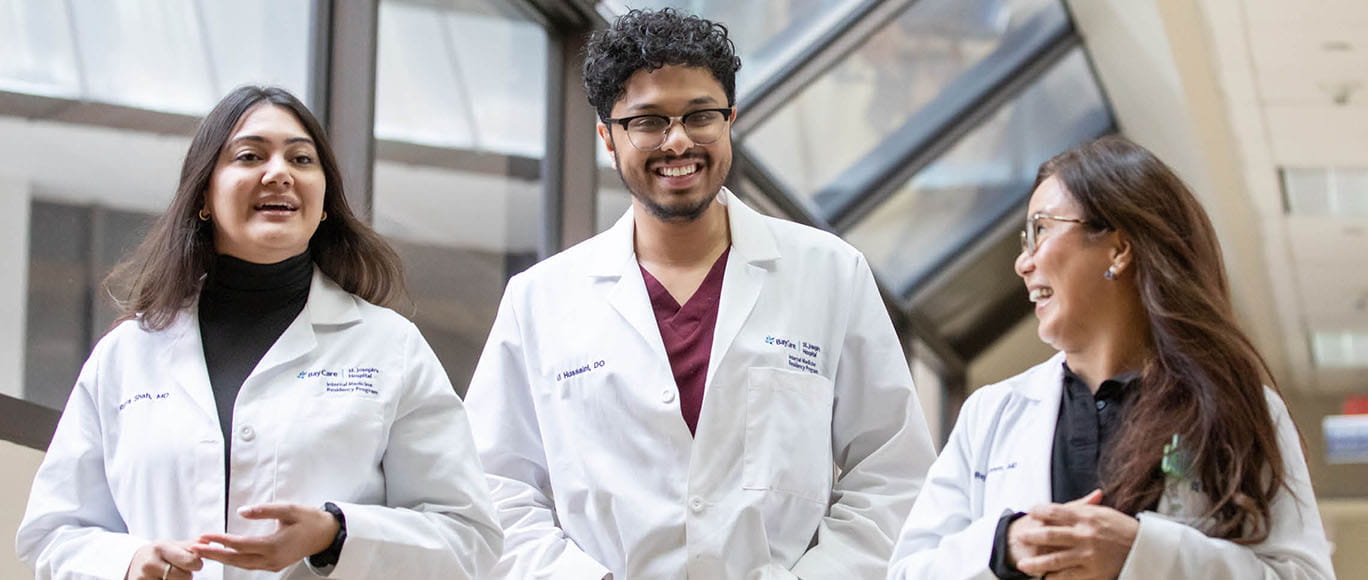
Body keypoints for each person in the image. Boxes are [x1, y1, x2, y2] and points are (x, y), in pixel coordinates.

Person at [464, 8, 936, 579]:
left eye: (701, 116)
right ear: (608, 137)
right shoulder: (540, 300)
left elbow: (892, 471)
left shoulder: (830, 273)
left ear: (730, 119)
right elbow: (493, 487)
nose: (679, 141)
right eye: (648, 121)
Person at [16, 86, 502, 580]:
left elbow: (469, 538)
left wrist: (335, 535)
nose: (279, 173)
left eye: (301, 159)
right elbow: (53, 532)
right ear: (204, 195)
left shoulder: (390, 348)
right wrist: (128, 562)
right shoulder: (127, 354)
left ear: (325, 201)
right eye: (250, 156)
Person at [886, 136, 1335, 579]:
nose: (1023, 263)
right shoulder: (991, 414)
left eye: (1041, 230)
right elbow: (907, 573)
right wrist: (1004, 546)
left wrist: (1144, 554)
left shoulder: (1236, 410)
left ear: (1118, 250)